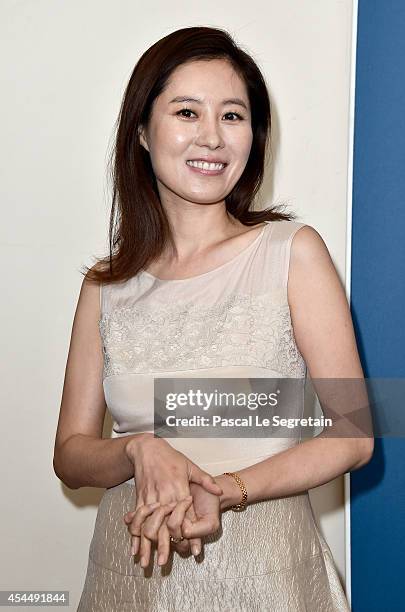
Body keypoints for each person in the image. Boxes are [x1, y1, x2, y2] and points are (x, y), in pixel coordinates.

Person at [53, 26, 374, 611]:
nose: (212, 136)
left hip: (268, 574)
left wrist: (228, 492)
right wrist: (136, 450)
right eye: (186, 112)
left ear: (254, 135)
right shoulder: (106, 285)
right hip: (131, 574)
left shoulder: (292, 251)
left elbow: (353, 436)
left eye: (232, 115)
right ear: (143, 133)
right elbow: (71, 455)